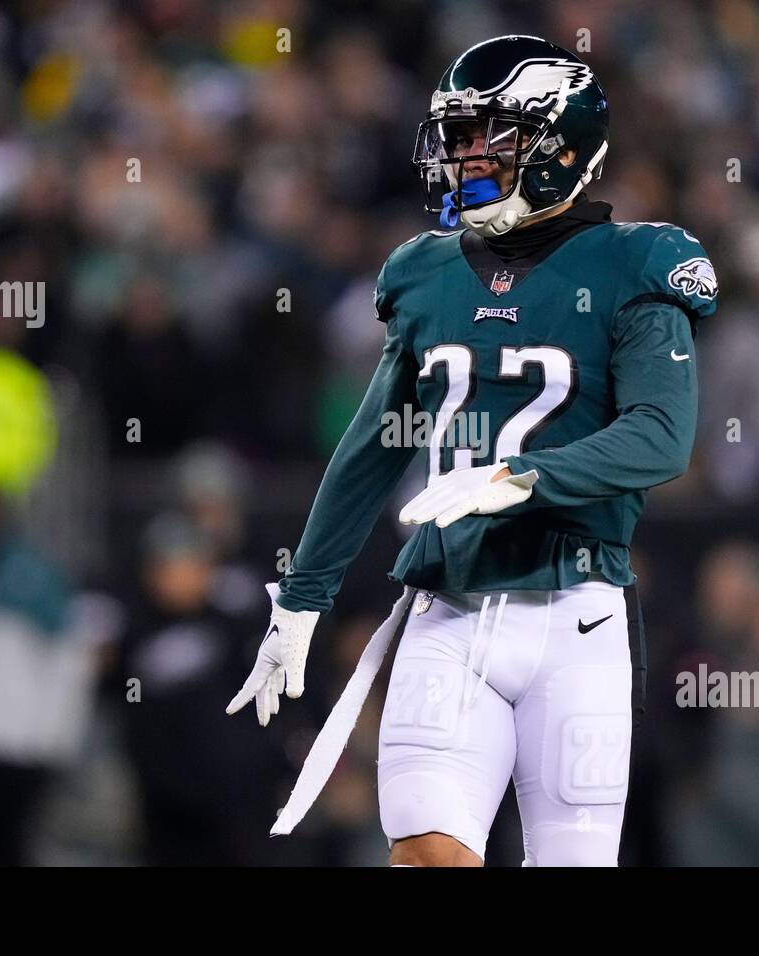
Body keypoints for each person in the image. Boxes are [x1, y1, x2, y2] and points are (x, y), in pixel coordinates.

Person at [227, 34, 717, 867]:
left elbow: (661, 437)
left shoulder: (639, 263)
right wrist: (303, 595)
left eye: (487, 135)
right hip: (447, 607)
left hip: (578, 611)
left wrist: (525, 475)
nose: (461, 158)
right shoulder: (425, 272)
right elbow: (376, 444)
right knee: (425, 855)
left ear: (560, 145)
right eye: (455, 136)